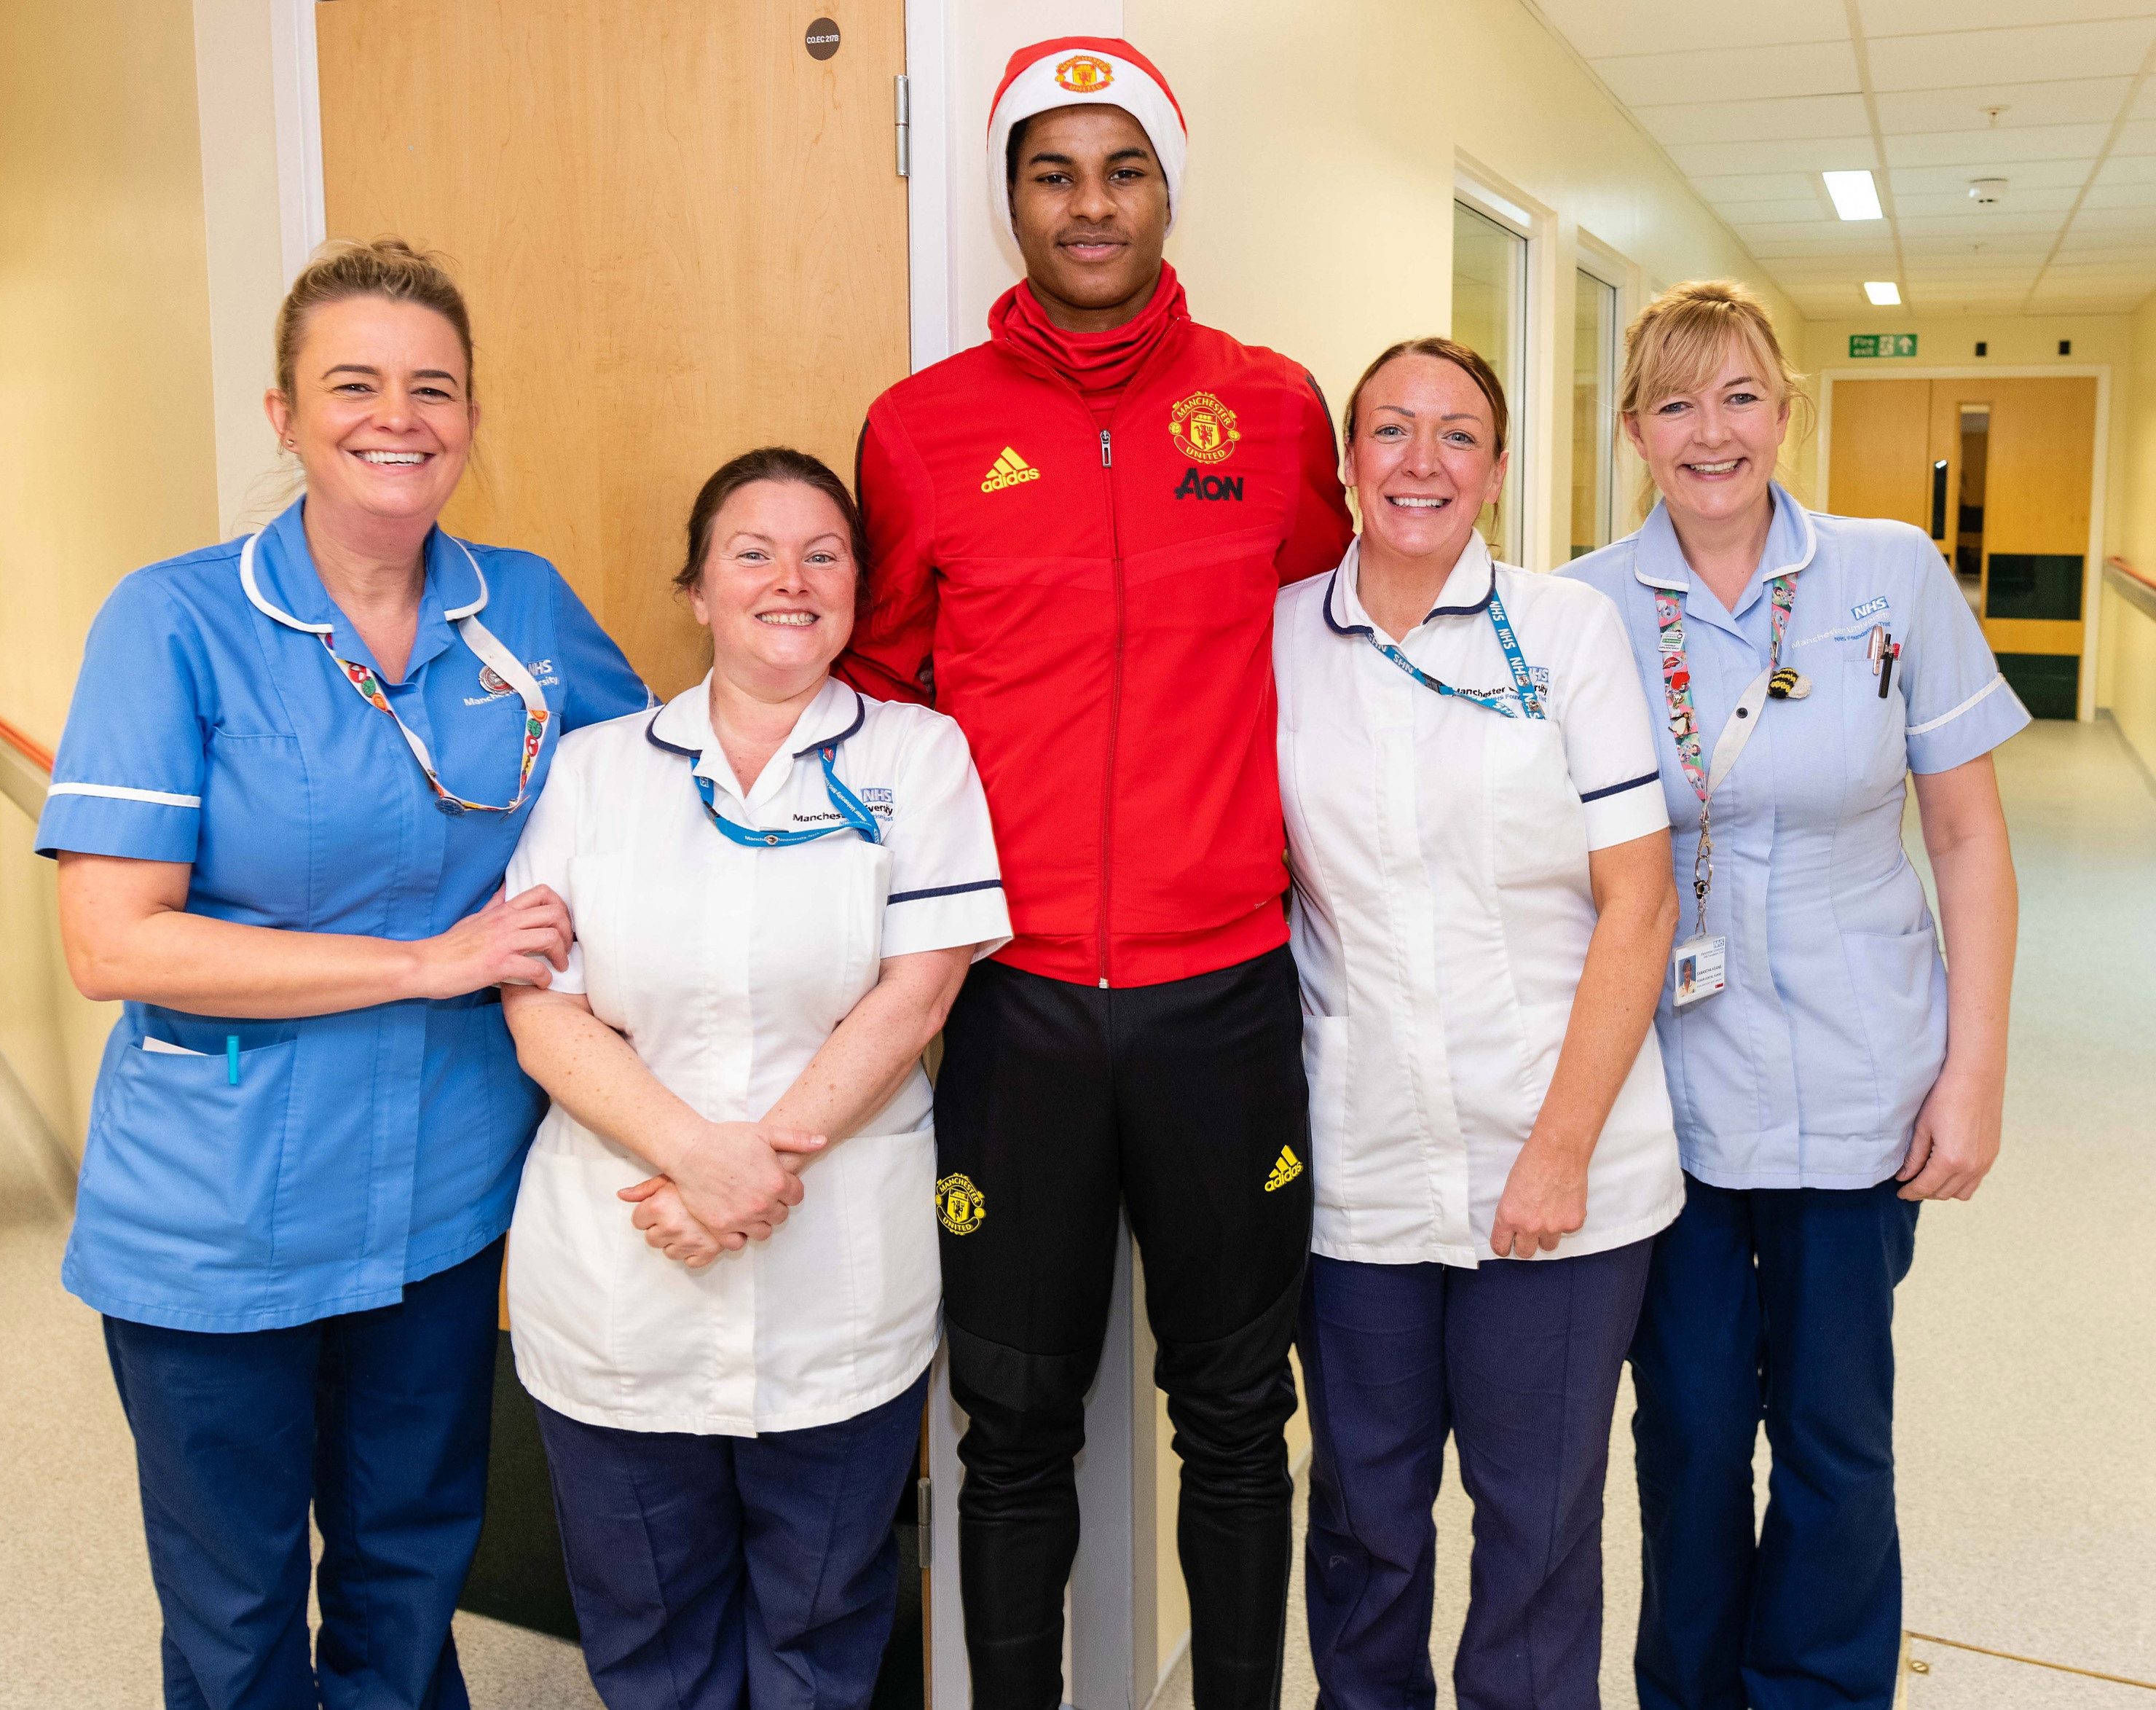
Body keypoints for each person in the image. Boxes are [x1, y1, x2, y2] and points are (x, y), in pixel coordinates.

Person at [38, 238, 650, 1709]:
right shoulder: (173, 621)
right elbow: (114, 939)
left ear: (473, 417)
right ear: (283, 414)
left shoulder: (527, 612)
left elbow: (648, 808)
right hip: (216, 1211)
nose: (399, 417)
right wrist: (428, 961)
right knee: (239, 1610)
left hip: (437, 1195)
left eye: (433, 387)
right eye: (354, 384)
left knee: (406, 1568)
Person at [838, 35, 1356, 1710]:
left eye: (1122, 168)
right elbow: (892, 698)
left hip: (1224, 993)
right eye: (1053, 172)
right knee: (1010, 1423)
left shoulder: (1271, 411)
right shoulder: (920, 433)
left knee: (1235, 1414)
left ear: (1168, 189)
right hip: (1017, 1004)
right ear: (1008, 199)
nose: (1090, 205)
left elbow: (1333, 639)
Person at [1567, 280, 2025, 1710]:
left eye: (1742, 396)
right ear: (1635, 426)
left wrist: (1975, 1072)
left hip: (1863, 1075)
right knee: (1691, 1432)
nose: (1714, 432)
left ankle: (1822, 1693)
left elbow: (1968, 834)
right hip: (1667, 1094)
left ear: (1788, 406)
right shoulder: (1581, 607)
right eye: (1679, 402)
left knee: (1837, 1430)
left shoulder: (1890, 576)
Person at [498, 448, 1010, 1710]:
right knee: (646, 1623)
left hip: (833, 1272)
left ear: (856, 591)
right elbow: (538, 1005)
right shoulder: (599, 767)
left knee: (821, 1620)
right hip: (625, 1270)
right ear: (697, 590)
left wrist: (752, 1162)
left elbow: (919, 991)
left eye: (823, 553)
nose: (792, 579)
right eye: (753, 552)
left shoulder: (919, 757)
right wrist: (698, 1154)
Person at [1276, 338, 1683, 1709]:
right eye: (1391, 430)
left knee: (1538, 1531)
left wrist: (1558, 1149)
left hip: (1560, 1163)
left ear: (1498, 472)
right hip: (1362, 1164)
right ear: (1345, 464)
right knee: (1367, 1525)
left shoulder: (1565, 633)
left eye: (1458, 436)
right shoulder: (1279, 640)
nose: (1422, 461)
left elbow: (1639, 902)